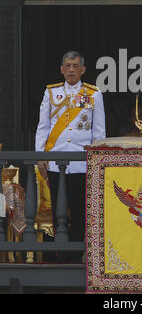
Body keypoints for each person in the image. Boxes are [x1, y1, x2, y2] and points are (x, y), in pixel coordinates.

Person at [35, 51, 106, 261]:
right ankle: (60, 256)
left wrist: (97, 160)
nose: (71, 70)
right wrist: (40, 155)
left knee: (79, 211)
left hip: (81, 164)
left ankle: (75, 257)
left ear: (83, 69)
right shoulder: (51, 93)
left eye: (75, 66)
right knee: (58, 211)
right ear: (62, 69)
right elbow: (43, 127)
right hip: (56, 162)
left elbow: (99, 131)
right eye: (67, 66)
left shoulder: (93, 94)